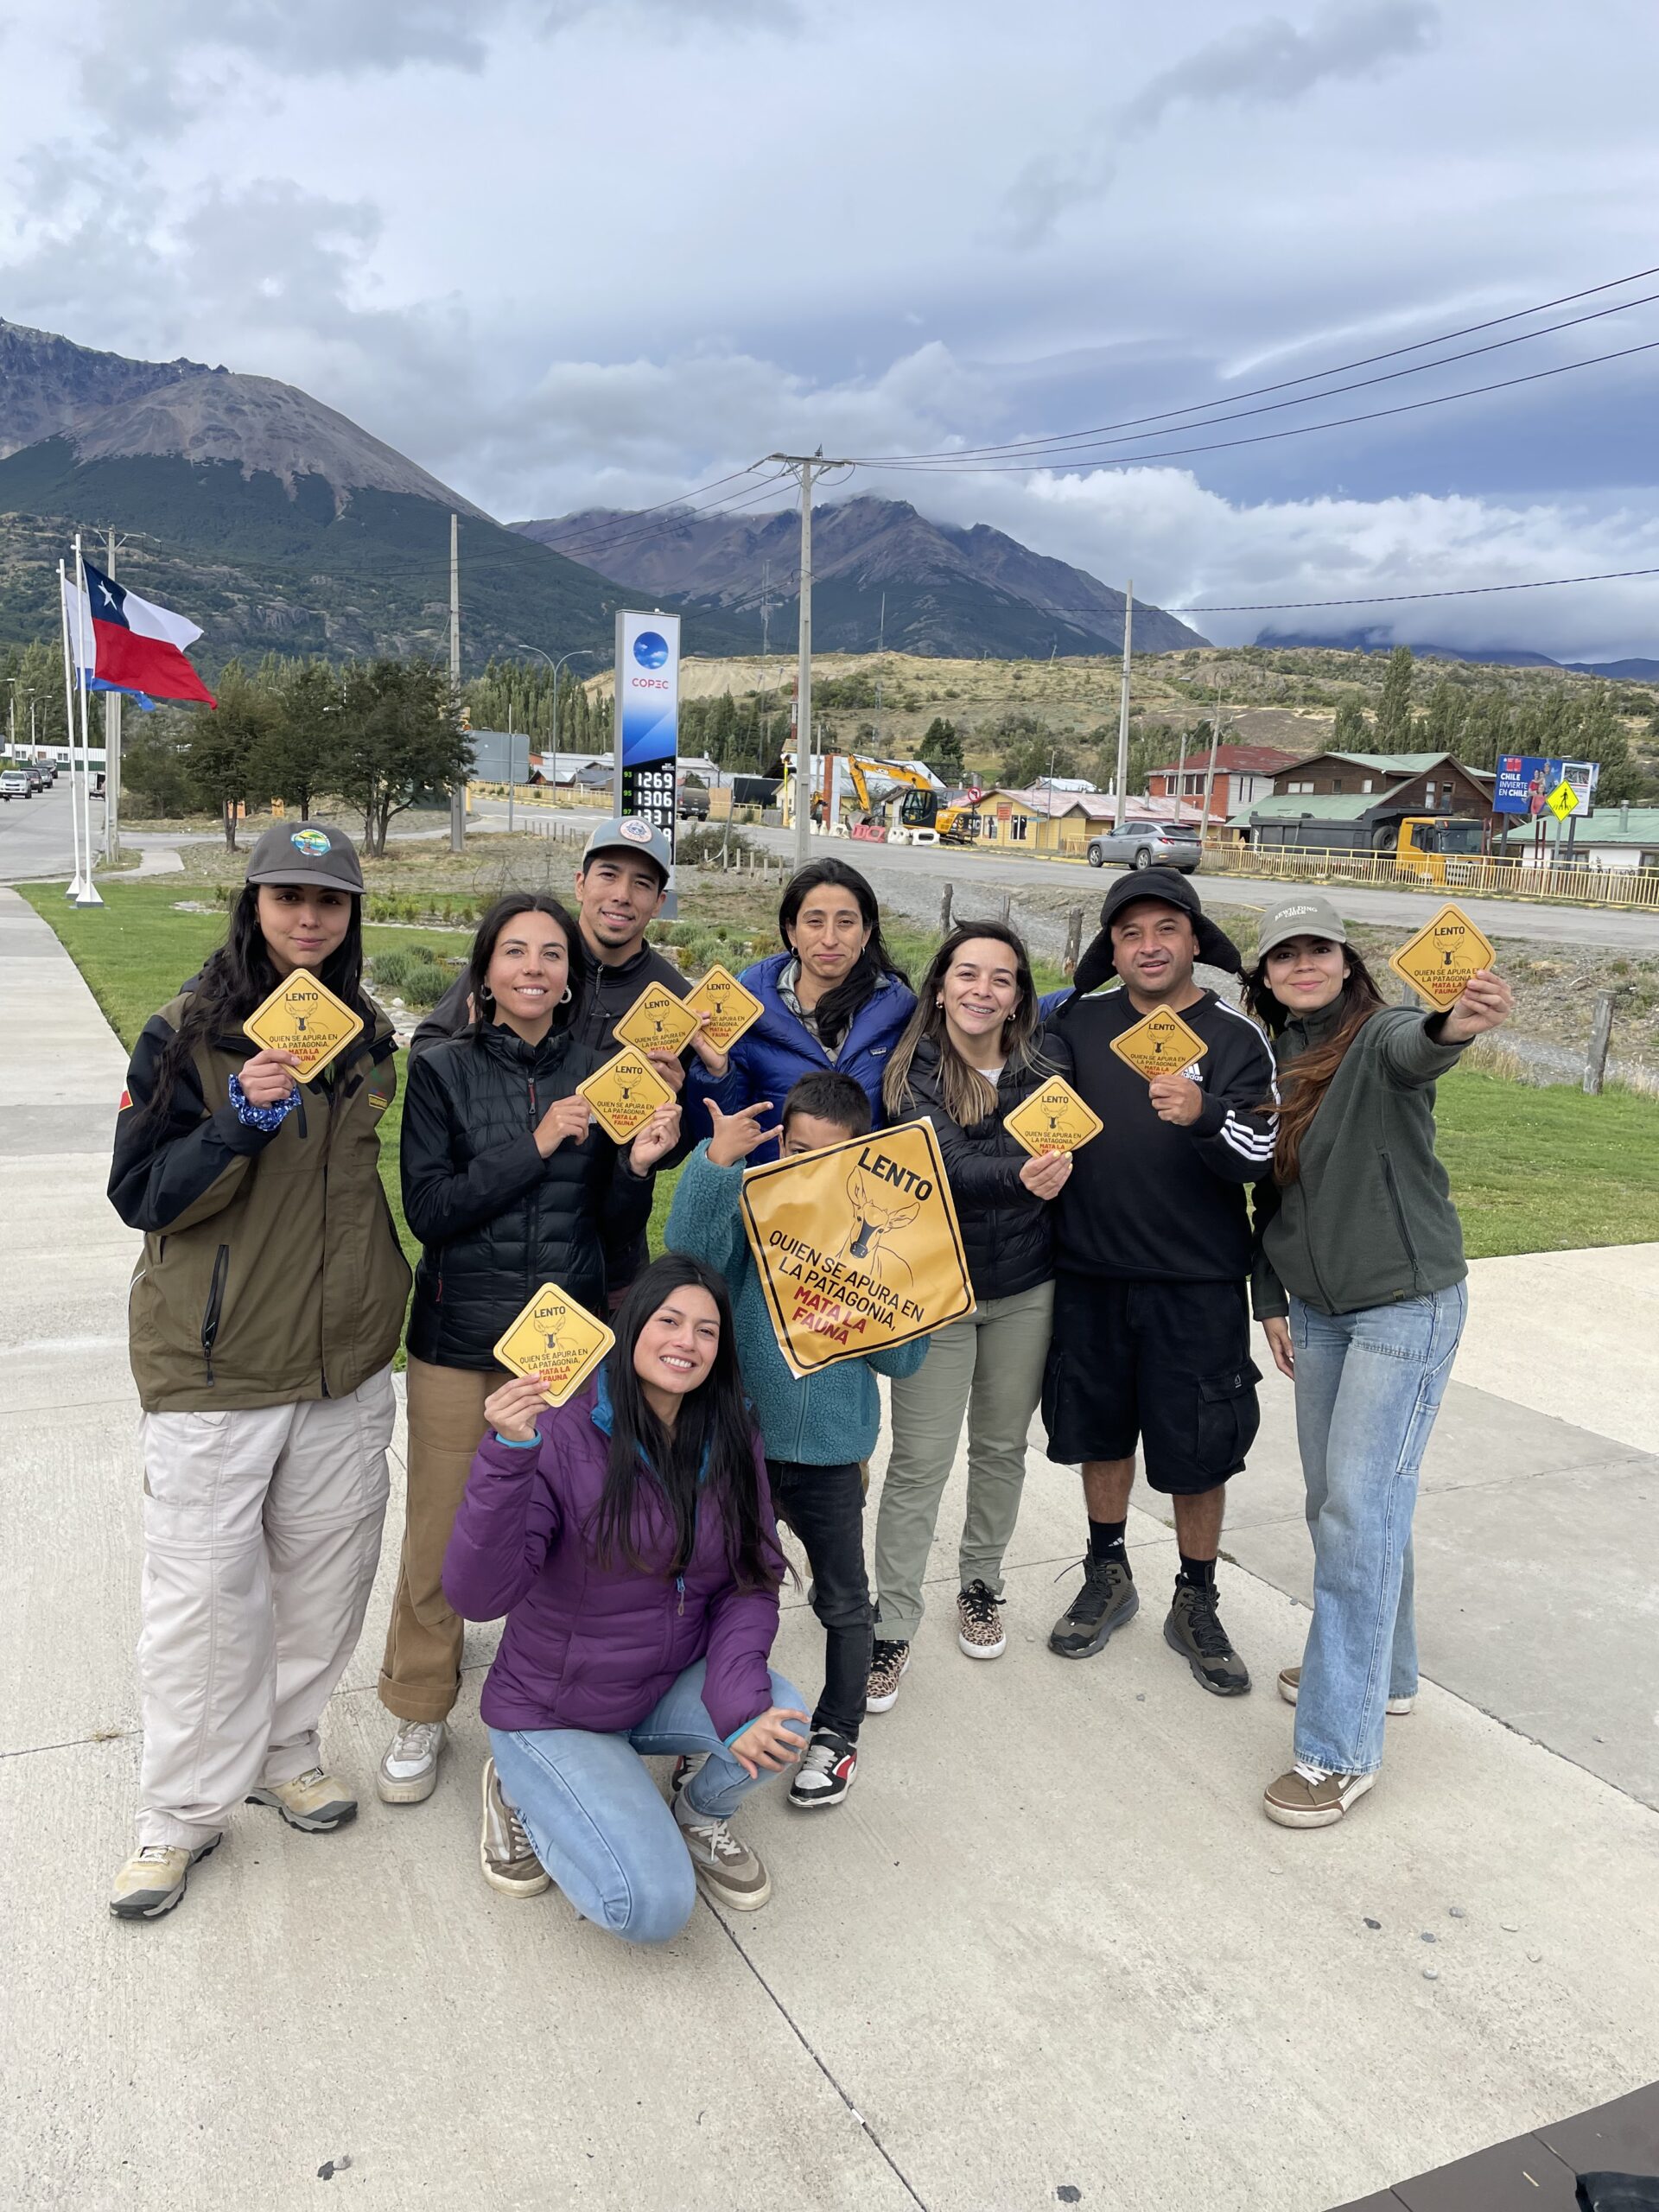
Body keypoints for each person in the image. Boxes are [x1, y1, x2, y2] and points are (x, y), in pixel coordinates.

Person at [105, 822, 411, 1920]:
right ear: (255, 904)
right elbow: (140, 1194)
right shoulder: (185, 1031)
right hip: (217, 1362)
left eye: (329, 900)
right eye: (288, 897)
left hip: (343, 1362)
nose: (309, 918)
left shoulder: (365, 1037)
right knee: (202, 1601)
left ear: (350, 915)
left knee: (326, 1579)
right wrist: (238, 1118)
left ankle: (286, 1750)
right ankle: (180, 1811)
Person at [376, 894, 681, 1823]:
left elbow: (611, 1224)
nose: (534, 968)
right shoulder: (441, 1067)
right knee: (441, 1532)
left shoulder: (603, 1071)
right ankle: (419, 1705)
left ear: (570, 977)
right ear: (486, 970)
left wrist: (638, 1167)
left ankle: (549, 1700)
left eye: (552, 954)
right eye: (514, 952)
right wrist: (541, 1141)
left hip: (567, 1342)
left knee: (571, 1534)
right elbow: (430, 1209)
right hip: (461, 1339)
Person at [442, 1255, 810, 1936]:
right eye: (669, 1321)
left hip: (660, 1685)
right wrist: (507, 1455)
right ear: (631, 1325)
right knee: (650, 1909)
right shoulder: (556, 1431)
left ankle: (698, 1817)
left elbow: (752, 1577)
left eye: (706, 1331)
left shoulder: (732, 1429)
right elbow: (478, 1596)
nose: (686, 1342)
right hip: (555, 1709)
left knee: (783, 1719)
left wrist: (737, 1708)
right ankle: (519, 1791)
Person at [1246, 893, 1512, 1827]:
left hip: (1405, 1304)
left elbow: (1419, 1045)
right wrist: (1271, 1298)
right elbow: (1270, 1195)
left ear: (1348, 962)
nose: (1304, 965)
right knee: (1341, 1503)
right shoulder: (1272, 1057)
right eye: (1285, 955)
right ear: (1266, 976)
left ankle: (1337, 1749)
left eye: (1319, 949)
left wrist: (1455, 1023)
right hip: (1319, 1314)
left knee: (1361, 1510)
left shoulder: (1379, 1034)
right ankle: (1383, 1672)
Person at [664, 1071, 930, 1808]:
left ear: (861, 1160)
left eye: (829, 1155)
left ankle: (837, 1732)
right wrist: (716, 1164)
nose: (807, 1167)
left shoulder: (883, 1250)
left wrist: (908, 1291)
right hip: (738, 1447)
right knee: (713, 1586)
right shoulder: (755, 1214)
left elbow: (903, 1361)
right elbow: (688, 1257)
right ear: (778, 1144)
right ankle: (707, 1721)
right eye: (796, 1149)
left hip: (832, 1456)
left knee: (843, 1601)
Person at [1045, 868, 1277, 1696]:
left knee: (1198, 1449)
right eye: (1131, 934)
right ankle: (1107, 1572)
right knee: (1100, 1434)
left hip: (1197, 1282)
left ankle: (1197, 1597)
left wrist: (1204, 1113)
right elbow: (1028, 1103)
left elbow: (1262, 1157)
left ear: (1194, 942)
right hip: (1090, 1272)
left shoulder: (1235, 1038)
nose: (1149, 947)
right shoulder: (1077, 1023)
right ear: (1112, 950)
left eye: (1166, 930)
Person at [867, 923, 1073, 1709]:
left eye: (1001, 978)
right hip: (938, 1293)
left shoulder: (1047, 1063)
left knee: (1000, 1447)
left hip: (1024, 1288)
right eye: (967, 974)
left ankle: (981, 1584)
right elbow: (946, 1167)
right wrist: (1025, 1177)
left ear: (1020, 995)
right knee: (920, 1461)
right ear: (941, 984)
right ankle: (893, 1622)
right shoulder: (911, 1071)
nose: (982, 990)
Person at [413, 816, 728, 1306]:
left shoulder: (675, 999)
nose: (621, 895)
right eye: (608, 875)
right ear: (580, 883)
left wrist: (669, 1103)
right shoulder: (527, 964)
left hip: (605, 1254)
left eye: (641, 883)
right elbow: (429, 1055)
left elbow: (663, 1152)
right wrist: (478, 1046)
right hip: (489, 1234)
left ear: (659, 902)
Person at [695, 857, 915, 1153]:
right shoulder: (745, 1010)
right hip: (776, 1181)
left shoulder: (902, 1013)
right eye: (814, 922)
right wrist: (716, 1074)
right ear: (791, 931)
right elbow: (712, 1137)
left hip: (863, 1182)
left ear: (865, 933)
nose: (830, 939)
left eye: (846, 922)